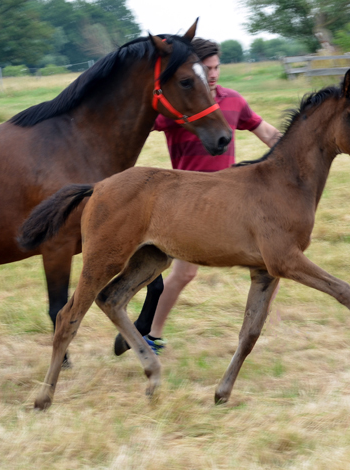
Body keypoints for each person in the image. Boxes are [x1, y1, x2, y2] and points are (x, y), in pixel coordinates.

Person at [113, 38, 281, 356]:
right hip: (189, 202)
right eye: (208, 69)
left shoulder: (233, 101)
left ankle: (257, 328)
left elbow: (268, 133)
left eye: (218, 67)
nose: (214, 74)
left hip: (229, 200)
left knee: (273, 262)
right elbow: (134, 126)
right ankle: (151, 334)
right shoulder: (182, 104)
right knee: (185, 272)